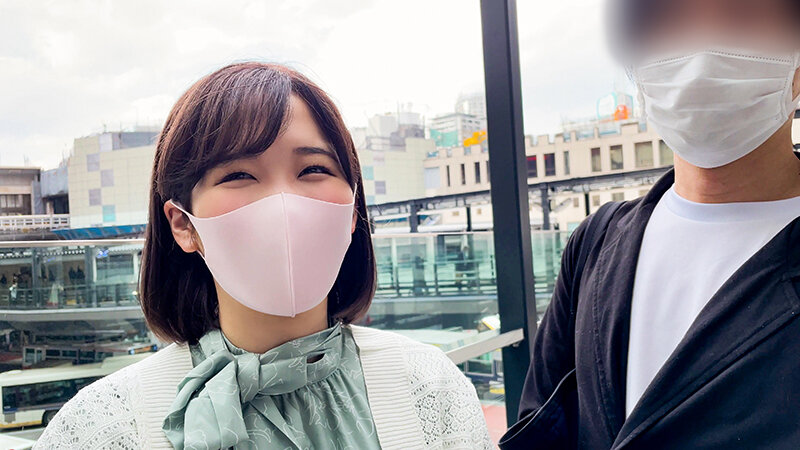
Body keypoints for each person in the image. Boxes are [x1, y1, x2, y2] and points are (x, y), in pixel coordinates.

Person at [36, 62, 492, 449]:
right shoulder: (103, 425)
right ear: (183, 224)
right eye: (239, 174)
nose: (283, 202)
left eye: (313, 168)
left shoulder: (430, 387)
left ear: (354, 210)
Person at [503, 0, 800, 448]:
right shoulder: (595, 242)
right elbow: (541, 428)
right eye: (670, 21)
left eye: (742, 16)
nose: (700, 49)